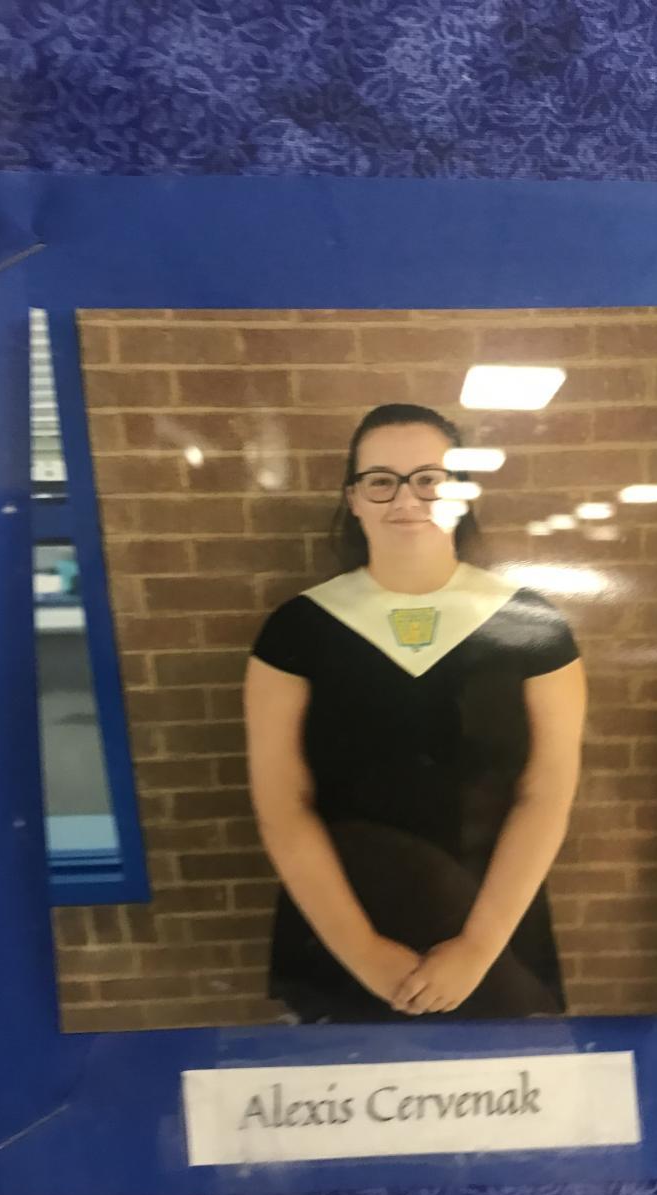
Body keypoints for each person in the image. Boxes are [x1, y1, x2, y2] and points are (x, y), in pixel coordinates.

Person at [245, 403, 586, 1022]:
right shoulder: (296, 631)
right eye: (381, 481)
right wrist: (365, 953)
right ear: (352, 499)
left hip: (494, 928)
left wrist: (477, 949)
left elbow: (546, 795)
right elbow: (282, 806)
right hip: (340, 933)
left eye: (430, 479)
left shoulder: (533, 626)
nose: (406, 498)